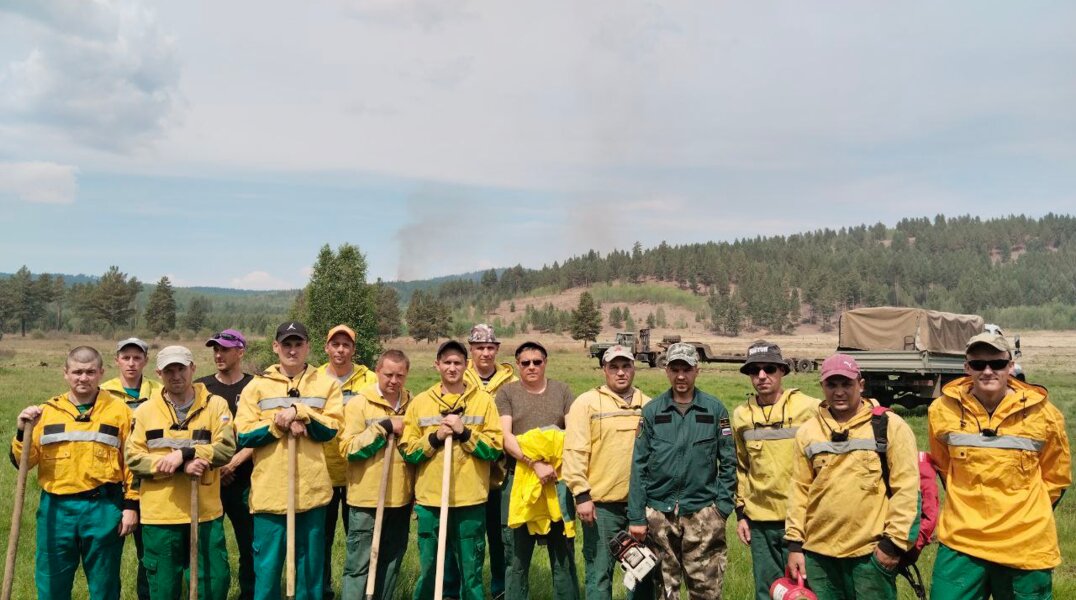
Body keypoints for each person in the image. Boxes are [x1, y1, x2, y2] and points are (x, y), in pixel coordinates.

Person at [927, 332, 1071, 600]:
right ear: (967, 367)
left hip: (1026, 542)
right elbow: (945, 469)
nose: (988, 371)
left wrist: (1026, 511)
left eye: (997, 363)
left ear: (1011, 365)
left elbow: (1057, 478)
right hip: (962, 541)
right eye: (979, 364)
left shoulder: (1045, 415)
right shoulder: (941, 411)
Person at [784, 354, 919, 600]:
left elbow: (907, 490)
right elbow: (799, 490)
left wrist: (892, 546)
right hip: (818, 556)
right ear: (822, 386)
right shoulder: (808, 432)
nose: (839, 392)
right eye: (831, 385)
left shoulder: (890, 426)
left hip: (870, 555)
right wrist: (795, 545)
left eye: (846, 384)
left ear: (861, 385)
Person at [11, 346, 139, 600]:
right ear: (66, 374)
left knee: (105, 584)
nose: (83, 378)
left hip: (103, 507)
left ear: (101, 373)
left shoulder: (119, 411)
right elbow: (23, 463)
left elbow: (132, 462)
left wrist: (131, 505)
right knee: (51, 582)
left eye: (90, 372)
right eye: (77, 372)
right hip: (56, 510)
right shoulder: (46, 412)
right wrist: (21, 431)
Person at [234, 321, 344, 600]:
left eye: (298, 344)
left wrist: (300, 412)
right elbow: (244, 435)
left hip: (312, 495)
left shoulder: (326, 384)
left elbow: (331, 429)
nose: (292, 350)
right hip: (270, 496)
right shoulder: (256, 387)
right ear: (275, 347)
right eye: (286, 344)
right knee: (267, 574)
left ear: (308, 346)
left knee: (310, 576)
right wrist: (278, 425)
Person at [125, 345, 236, 600]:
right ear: (159, 374)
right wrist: (176, 466)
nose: (176, 375)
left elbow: (226, 449)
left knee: (213, 583)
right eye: (169, 371)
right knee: (163, 589)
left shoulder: (215, 405)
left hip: (205, 514)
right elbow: (133, 458)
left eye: (181, 369)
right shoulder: (145, 411)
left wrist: (188, 453)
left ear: (193, 369)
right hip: (160, 517)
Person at [628, 342, 736, 600]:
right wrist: (637, 516)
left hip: (702, 513)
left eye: (686, 369)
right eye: (674, 368)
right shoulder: (653, 411)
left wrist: (721, 508)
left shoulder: (714, 410)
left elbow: (729, 462)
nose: (680, 376)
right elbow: (639, 465)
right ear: (666, 370)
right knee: (665, 591)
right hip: (660, 516)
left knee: (706, 591)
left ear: (696, 370)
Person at [400, 340, 504, 600]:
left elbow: (494, 449)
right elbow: (408, 452)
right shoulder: (421, 402)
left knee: (471, 575)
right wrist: (435, 437)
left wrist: (465, 433)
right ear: (437, 365)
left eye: (458, 362)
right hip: (430, 501)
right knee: (429, 571)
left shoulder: (483, 403)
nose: (452, 367)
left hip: (470, 501)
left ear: (466, 366)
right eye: (446, 362)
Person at [563, 344, 654, 600]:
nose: (621, 372)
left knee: (642, 572)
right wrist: (581, 495)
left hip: (640, 507)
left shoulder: (648, 405)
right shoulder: (587, 403)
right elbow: (574, 451)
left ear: (634, 368)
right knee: (599, 573)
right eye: (614, 367)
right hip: (600, 507)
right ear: (604, 369)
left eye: (626, 366)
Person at [732, 341, 819, 600]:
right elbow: (741, 466)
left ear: (782, 371)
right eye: (754, 371)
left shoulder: (810, 407)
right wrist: (741, 514)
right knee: (769, 591)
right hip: (761, 523)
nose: (761, 376)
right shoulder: (741, 416)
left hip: (805, 520)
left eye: (769, 368)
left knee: (807, 591)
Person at [496, 341, 579, 600]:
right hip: (518, 481)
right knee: (516, 557)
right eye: (525, 363)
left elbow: (575, 432)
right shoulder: (507, 394)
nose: (531, 367)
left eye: (537, 362)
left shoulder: (562, 391)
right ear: (518, 365)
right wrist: (534, 463)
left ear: (545, 362)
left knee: (563, 554)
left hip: (557, 482)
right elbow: (505, 436)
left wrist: (554, 465)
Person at [447, 323, 517, 600]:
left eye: (490, 347)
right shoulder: (458, 379)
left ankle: (500, 589)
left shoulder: (511, 383)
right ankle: (454, 589)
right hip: (465, 472)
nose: (485, 353)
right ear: (470, 350)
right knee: (461, 537)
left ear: (497, 349)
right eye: (479, 348)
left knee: (500, 537)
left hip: (501, 472)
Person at [339, 349, 414, 600]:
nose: (394, 381)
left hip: (400, 500)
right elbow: (348, 449)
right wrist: (383, 427)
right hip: (366, 500)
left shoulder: (412, 404)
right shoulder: (359, 404)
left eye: (399, 375)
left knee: (391, 562)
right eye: (388, 374)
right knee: (359, 565)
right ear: (377, 372)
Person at [196, 329, 256, 600]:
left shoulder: (256, 386)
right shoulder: (201, 388)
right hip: (210, 480)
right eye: (215, 350)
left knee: (252, 545)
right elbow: (194, 433)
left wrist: (234, 463)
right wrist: (219, 466)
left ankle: (250, 594)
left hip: (249, 481)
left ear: (240, 351)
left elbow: (265, 432)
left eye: (225, 349)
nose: (218, 354)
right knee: (208, 544)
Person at [319, 324, 378, 599]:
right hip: (323, 472)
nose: (340, 350)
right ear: (326, 347)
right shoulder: (315, 379)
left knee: (358, 538)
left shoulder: (369, 380)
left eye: (346, 345)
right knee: (321, 538)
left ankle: (360, 590)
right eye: (335, 344)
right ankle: (324, 589)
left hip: (359, 472)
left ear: (353, 349)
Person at [101, 336, 160, 600]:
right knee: (105, 554)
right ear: (116, 360)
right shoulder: (102, 393)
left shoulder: (159, 391)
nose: (131, 364)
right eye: (126, 358)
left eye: (137, 358)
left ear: (146, 361)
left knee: (148, 554)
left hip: (149, 479)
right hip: (111, 481)